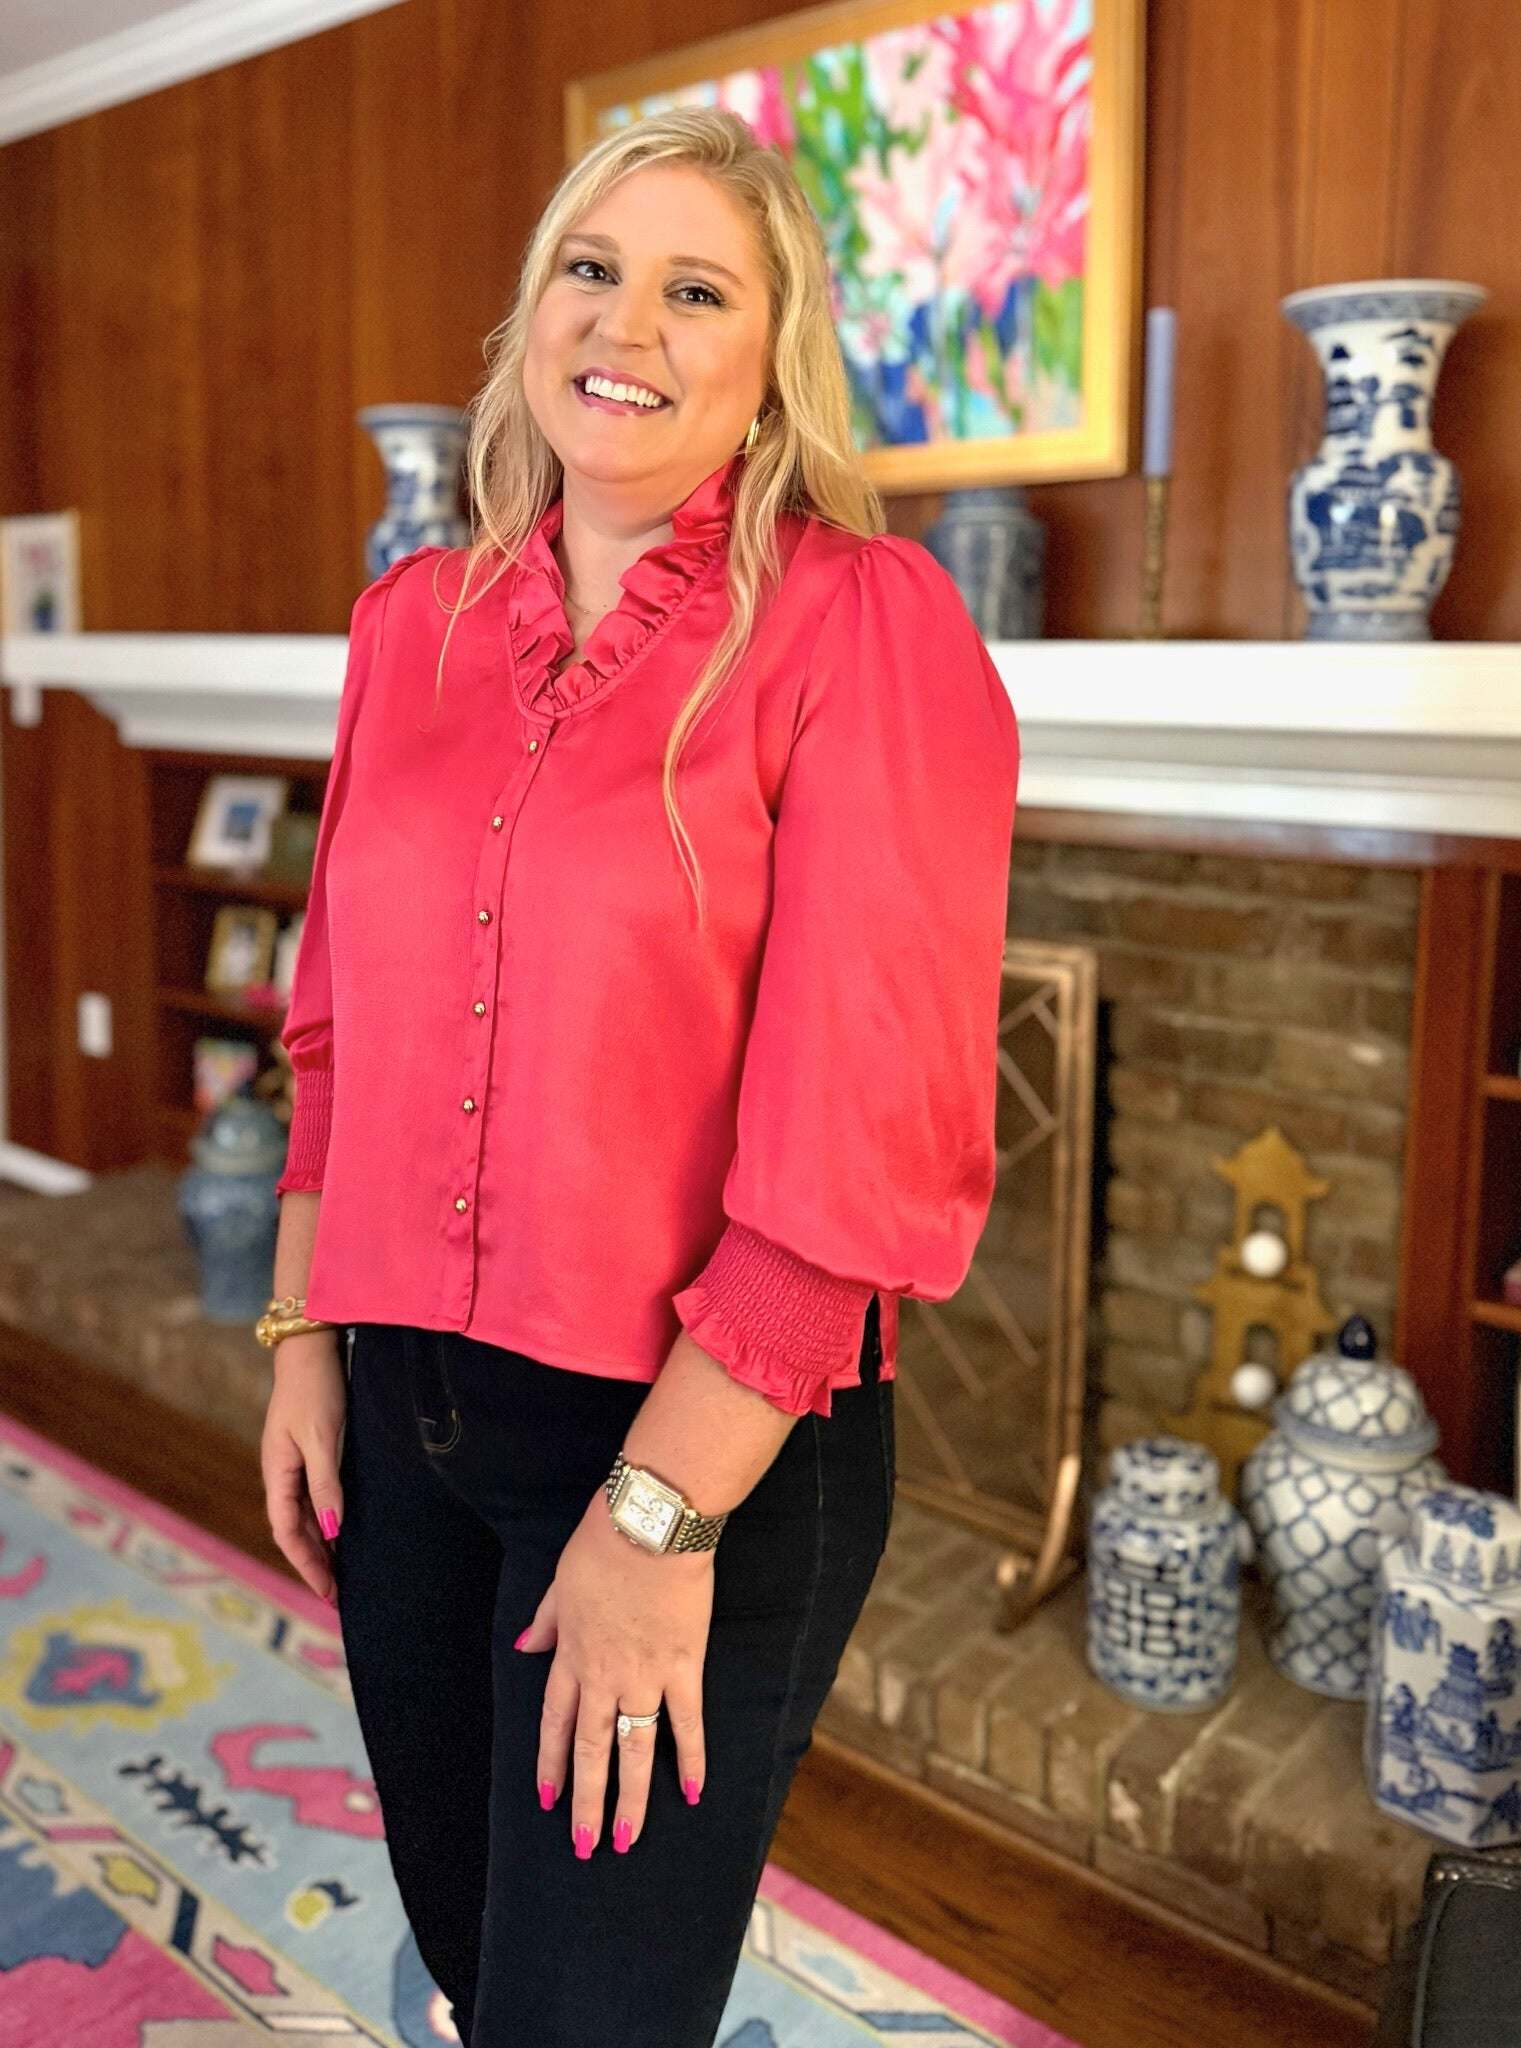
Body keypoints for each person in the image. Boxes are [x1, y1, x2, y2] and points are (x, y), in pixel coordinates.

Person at [257, 104, 1020, 2048]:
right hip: (407, 1428)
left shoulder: (864, 625)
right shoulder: (406, 627)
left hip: (701, 1447)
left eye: (701, 289)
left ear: (772, 368)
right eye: (594, 269)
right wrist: (301, 1330)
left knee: (588, 2015)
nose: (631, 321)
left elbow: (867, 1137)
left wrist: (660, 1518)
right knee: (476, 1944)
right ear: (531, 316)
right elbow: (335, 1011)